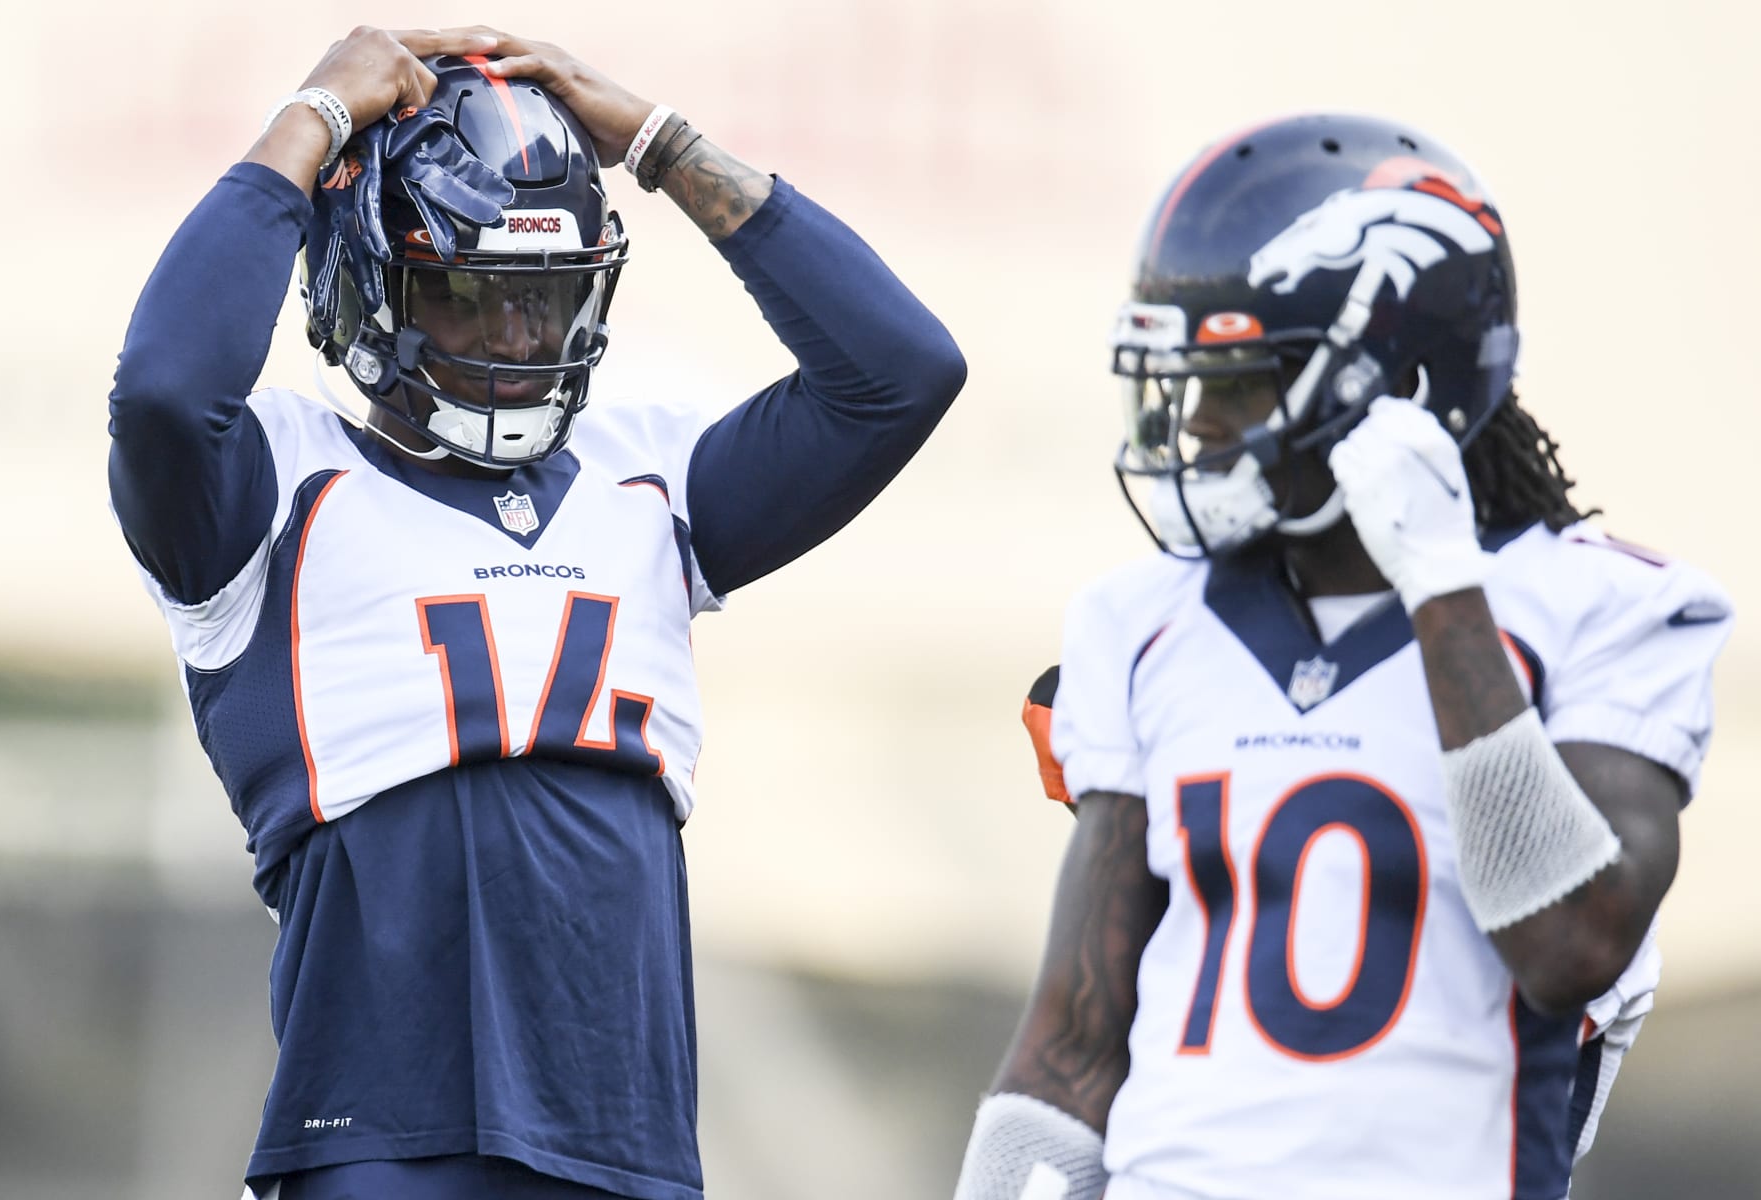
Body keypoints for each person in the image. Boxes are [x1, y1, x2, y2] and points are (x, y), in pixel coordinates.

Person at [107, 25, 965, 1200]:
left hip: (633, 1148)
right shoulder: (270, 489)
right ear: (364, 278)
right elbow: (162, 390)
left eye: (547, 298)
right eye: (469, 296)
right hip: (383, 1146)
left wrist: (664, 148)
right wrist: (308, 121)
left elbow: (900, 374)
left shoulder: (650, 481)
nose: (518, 341)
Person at [952, 114, 1730, 1200]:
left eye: (1243, 382)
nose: (1198, 428)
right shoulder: (1141, 620)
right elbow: (1071, 1047)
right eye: (1188, 381)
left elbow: (1566, 948)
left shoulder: (1603, 605)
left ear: (1395, 380)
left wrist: (1445, 593)